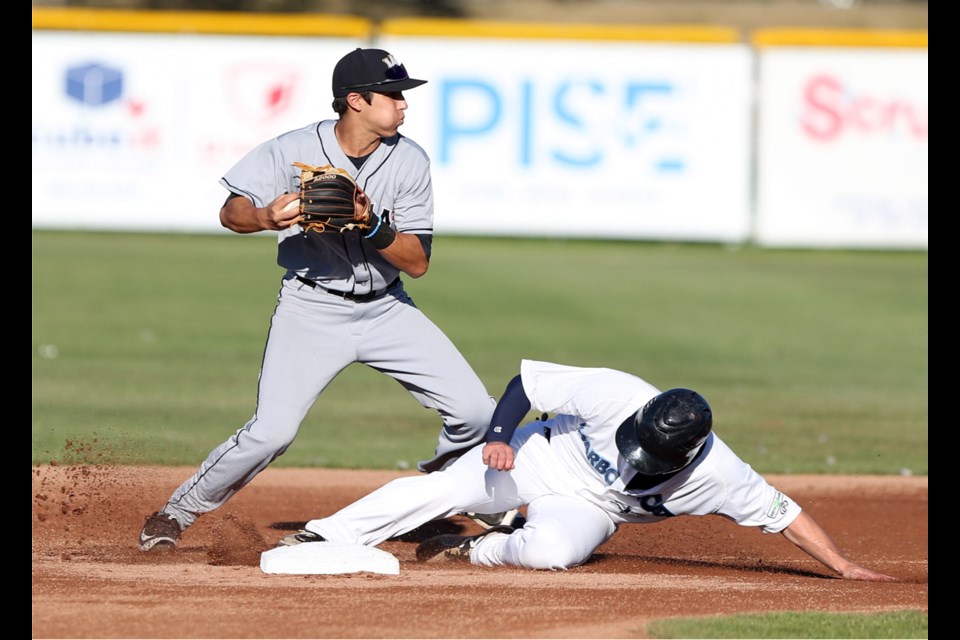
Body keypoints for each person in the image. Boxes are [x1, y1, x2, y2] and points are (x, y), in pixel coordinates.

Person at [138, 48, 499, 551]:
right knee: (270, 433)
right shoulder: (291, 148)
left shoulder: (410, 159)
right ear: (356, 100)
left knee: (477, 413)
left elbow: (416, 261)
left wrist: (371, 224)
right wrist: (265, 217)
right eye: (392, 94)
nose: (403, 104)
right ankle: (176, 513)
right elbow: (231, 210)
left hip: (386, 308)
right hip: (312, 308)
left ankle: (444, 490)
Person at [279, 359, 898, 581]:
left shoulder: (723, 477)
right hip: (541, 455)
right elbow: (528, 381)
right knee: (447, 486)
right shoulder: (616, 392)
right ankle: (325, 533)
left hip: (591, 509)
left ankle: (471, 551)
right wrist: (498, 438)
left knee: (553, 553)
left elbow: (785, 515)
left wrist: (843, 567)